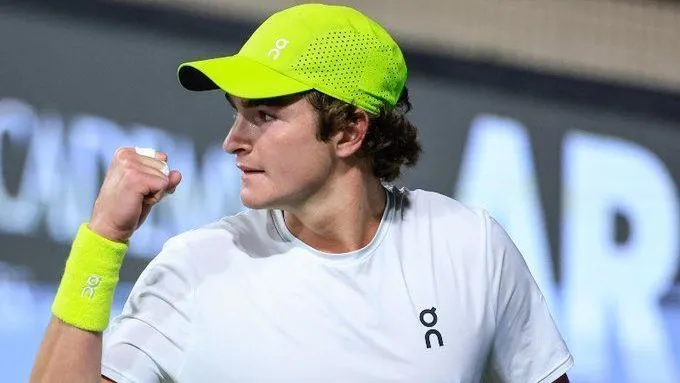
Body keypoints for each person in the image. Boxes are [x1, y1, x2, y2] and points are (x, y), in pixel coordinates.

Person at [30, 4, 573, 382]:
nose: (232, 142)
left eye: (264, 115)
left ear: (348, 132)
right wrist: (103, 239)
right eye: (236, 113)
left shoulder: (469, 247)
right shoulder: (197, 268)